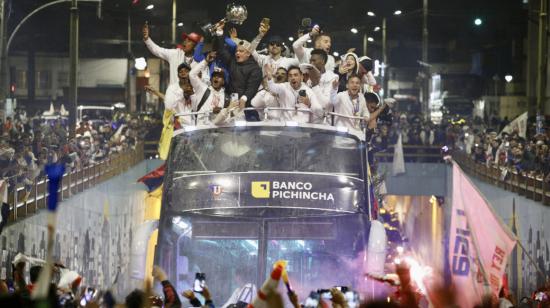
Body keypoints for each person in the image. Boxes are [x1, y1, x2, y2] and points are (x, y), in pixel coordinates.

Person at [213, 21, 263, 121]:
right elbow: (222, 51)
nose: (237, 53)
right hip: (231, 103)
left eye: (241, 51)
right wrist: (219, 32)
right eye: (236, 51)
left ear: (248, 54)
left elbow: (252, 87)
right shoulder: (232, 61)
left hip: (248, 105)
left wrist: (244, 98)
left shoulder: (255, 69)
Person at [189, 51, 227, 124]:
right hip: (201, 130)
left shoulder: (226, 97)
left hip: (218, 132)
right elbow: (191, 74)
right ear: (211, 79)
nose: (216, 78)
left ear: (223, 82)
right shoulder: (203, 89)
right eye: (214, 76)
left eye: (219, 77)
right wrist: (205, 61)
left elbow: (229, 117)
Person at [308, 49, 339, 115]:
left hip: (323, 122)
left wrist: (315, 85)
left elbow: (326, 104)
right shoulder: (307, 75)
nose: (311, 63)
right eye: (310, 60)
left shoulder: (332, 77)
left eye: (314, 60)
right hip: (307, 118)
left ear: (323, 61)